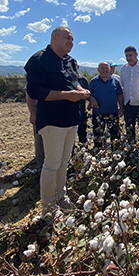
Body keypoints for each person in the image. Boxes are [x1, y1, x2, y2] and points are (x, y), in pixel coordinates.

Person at [24, 26, 90, 214]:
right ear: (54, 38)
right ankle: (48, 205)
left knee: (64, 161)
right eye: (67, 38)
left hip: (71, 119)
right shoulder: (38, 60)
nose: (71, 42)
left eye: (72, 39)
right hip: (52, 121)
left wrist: (79, 90)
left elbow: (73, 82)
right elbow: (35, 91)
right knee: (52, 163)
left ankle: (61, 195)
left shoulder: (69, 61)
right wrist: (66, 95)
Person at [119, 46, 139, 143]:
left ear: (136, 54)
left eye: (131, 55)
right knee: (129, 128)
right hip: (128, 104)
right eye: (127, 56)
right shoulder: (123, 69)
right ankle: (131, 148)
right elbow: (122, 87)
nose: (129, 58)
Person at [87, 62, 124, 143]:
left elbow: (120, 95)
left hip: (113, 112)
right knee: (98, 136)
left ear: (110, 69)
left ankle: (115, 153)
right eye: (102, 68)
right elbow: (88, 94)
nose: (105, 70)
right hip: (98, 113)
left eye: (106, 68)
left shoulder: (115, 81)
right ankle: (98, 152)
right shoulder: (94, 81)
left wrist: (121, 108)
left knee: (115, 136)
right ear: (98, 70)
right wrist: (91, 99)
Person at [24, 83, 45, 168]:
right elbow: (29, 94)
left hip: (54, 110)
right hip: (39, 110)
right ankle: (40, 164)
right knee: (39, 138)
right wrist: (33, 114)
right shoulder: (36, 73)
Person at [74, 60, 90, 145]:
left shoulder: (83, 80)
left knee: (82, 133)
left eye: (75, 65)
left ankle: (84, 152)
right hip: (69, 112)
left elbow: (88, 94)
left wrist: (91, 102)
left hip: (82, 111)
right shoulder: (65, 80)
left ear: (78, 67)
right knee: (70, 135)